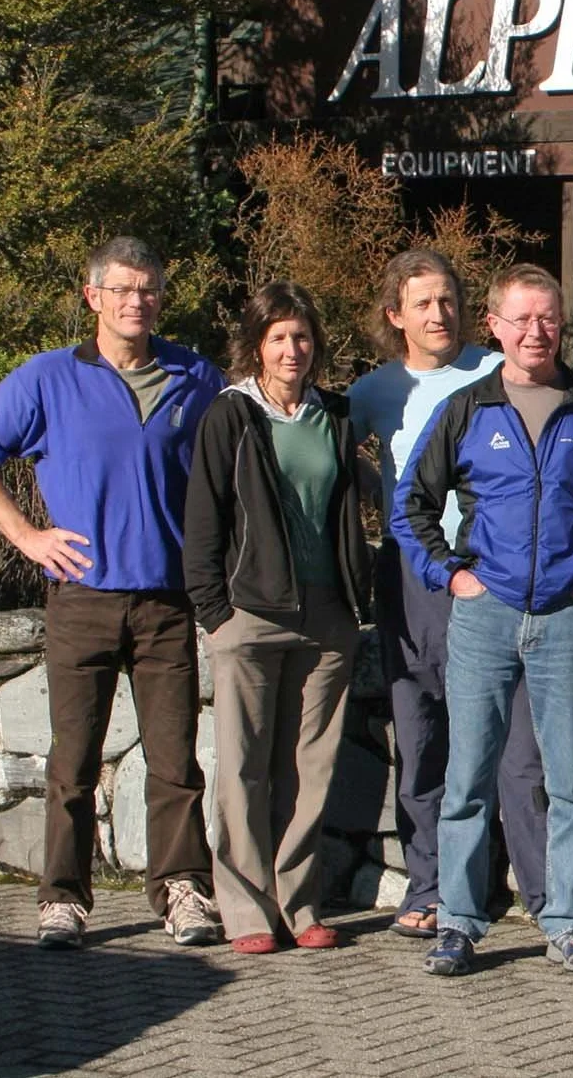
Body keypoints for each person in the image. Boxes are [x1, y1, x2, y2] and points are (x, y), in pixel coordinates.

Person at [0, 235, 226, 951]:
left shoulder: (195, 377)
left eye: (150, 288)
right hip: (81, 598)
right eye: (123, 288)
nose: (137, 300)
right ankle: (63, 900)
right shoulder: (45, 379)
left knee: (175, 762)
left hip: (167, 599)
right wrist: (27, 536)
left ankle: (183, 891)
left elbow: (231, 471)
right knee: (72, 761)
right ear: (92, 297)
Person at [394, 263, 573, 977]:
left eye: (548, 318)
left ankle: (569, 920)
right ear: (495, 325)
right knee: (467, 775)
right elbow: (410, 505)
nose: (536, 331)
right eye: (522, 318)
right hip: (484, 616)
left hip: (568, 620)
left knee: (570, 777)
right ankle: (459, 920)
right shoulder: (467, 409)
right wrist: (454, 575)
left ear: (560, 324)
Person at [347, 250, 548, 941]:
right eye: (422, 303)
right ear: (394, 315)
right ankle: (432, 885)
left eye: (448, 300)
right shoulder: (376, 391)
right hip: (415, 576)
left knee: (512, 741)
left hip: (499, 572)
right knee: (424, 732)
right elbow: (333, 455)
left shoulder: (498, 371)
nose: (439, 314)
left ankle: (537, 891)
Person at [184, 282, 371, 953]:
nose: (293, 349)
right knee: (242, 767)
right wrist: (214, 611)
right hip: (249, 612)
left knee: (309, 766)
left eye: (302, 336)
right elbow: (203, 519)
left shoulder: (336, 415)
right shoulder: (230, 416)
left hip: (327, 615)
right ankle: (246, 909)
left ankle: (299, 903)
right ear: (255, 345)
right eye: (278, 338)